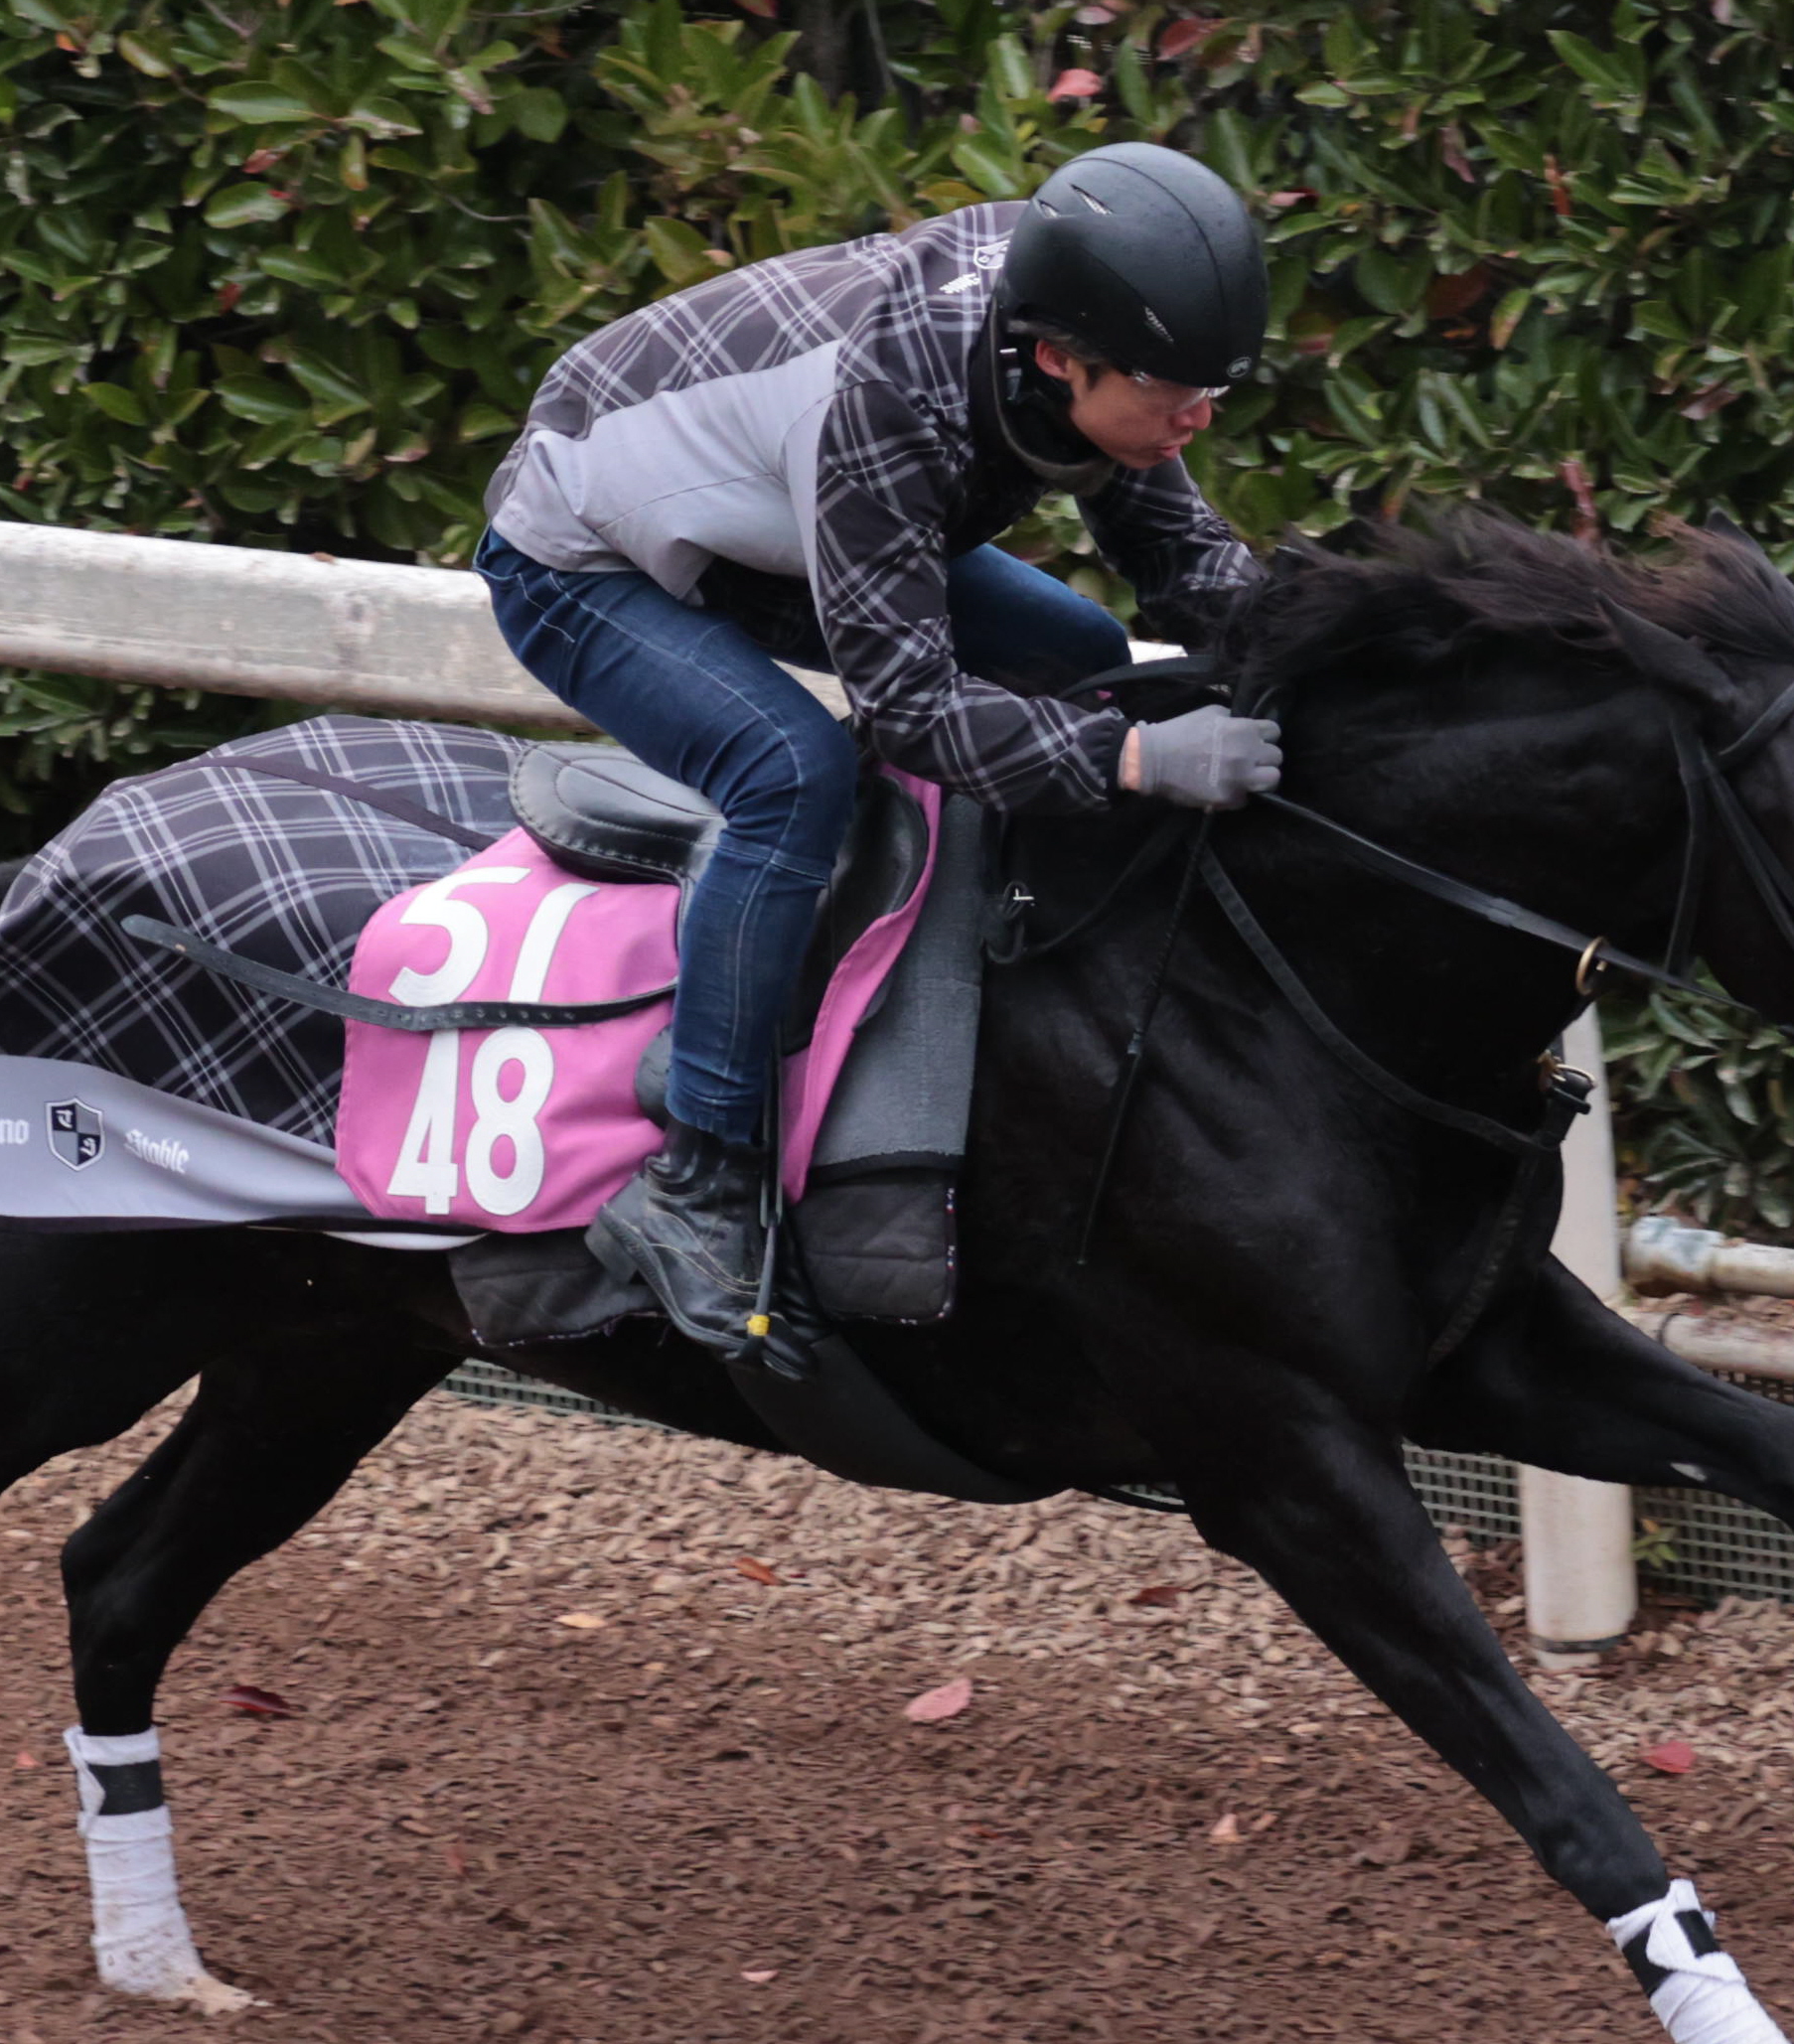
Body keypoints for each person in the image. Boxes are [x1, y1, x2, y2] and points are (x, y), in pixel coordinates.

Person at [477, 140, 1286, 1377]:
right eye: (1174, 392)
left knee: (1076, 649)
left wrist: (1327, 663)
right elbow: (911, 707)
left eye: (1214, 390)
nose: (1199, 421)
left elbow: (1185, 560)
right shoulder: (893, 398)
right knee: (791, 772)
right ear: (1063, 359)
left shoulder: (1078, 307)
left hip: (768, 513)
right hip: (581, 560)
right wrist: (1133, 762)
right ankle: (695, 1178)